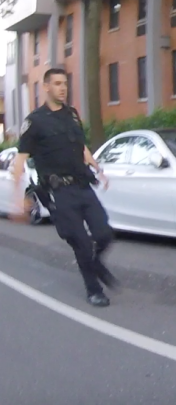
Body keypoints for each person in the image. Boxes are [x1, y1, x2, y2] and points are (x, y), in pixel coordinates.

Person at [10, 68, 118, 307]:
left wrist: (98, 169)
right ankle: (94, 289)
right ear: (46, 87)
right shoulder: (35, 121)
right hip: (59, 193)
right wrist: (18, 198)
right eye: (57, 83)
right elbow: (19, 160)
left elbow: (81, 147)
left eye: (65, 84)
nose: (63, 88)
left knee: (104, 233)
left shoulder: (72, 114)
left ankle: (95, 261)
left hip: (82, 185)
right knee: (80, 242)